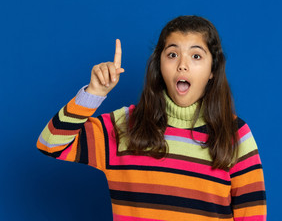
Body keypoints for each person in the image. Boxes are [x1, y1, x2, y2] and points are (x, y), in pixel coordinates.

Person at [37, 15, 267, 221]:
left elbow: (252, 216)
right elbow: (50, 144)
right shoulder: (123, 126)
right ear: (159, 64)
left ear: (212, 70)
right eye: (172, 54)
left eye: (196, 55)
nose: (182, 65)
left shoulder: (235, 134)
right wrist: (93, 94)